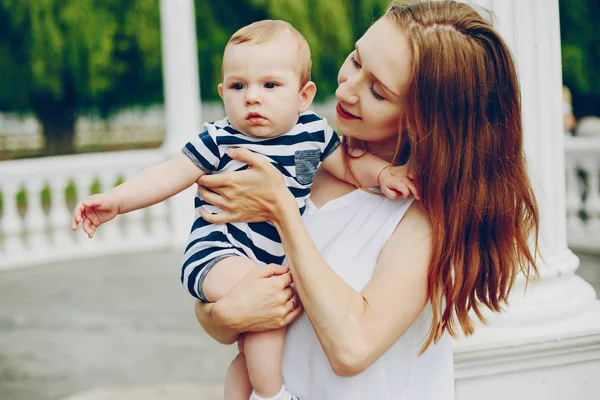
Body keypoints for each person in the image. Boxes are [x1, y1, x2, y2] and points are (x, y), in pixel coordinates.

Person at [194, 1, 540, 399]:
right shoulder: (308, 162)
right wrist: (222, 316)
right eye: (356, 60)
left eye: (377, 90)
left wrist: (284, 214)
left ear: (424, 119)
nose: (345, 88)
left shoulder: (425, 217)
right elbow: (219, 277)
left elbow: (351, 347)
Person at [71, 20, 418, 400]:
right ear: (222, 93)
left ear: (303, 96)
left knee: (253, 345)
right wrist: (117, 201)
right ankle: (274, 396)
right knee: (266, 315)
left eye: (270, 85)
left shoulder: (313, 134)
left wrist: (383, 173)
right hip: (221, 250)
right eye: (238, 86)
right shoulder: (220, 138)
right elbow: (168, 175)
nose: (253, 97)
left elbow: (349, 165)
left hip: (267, 256)